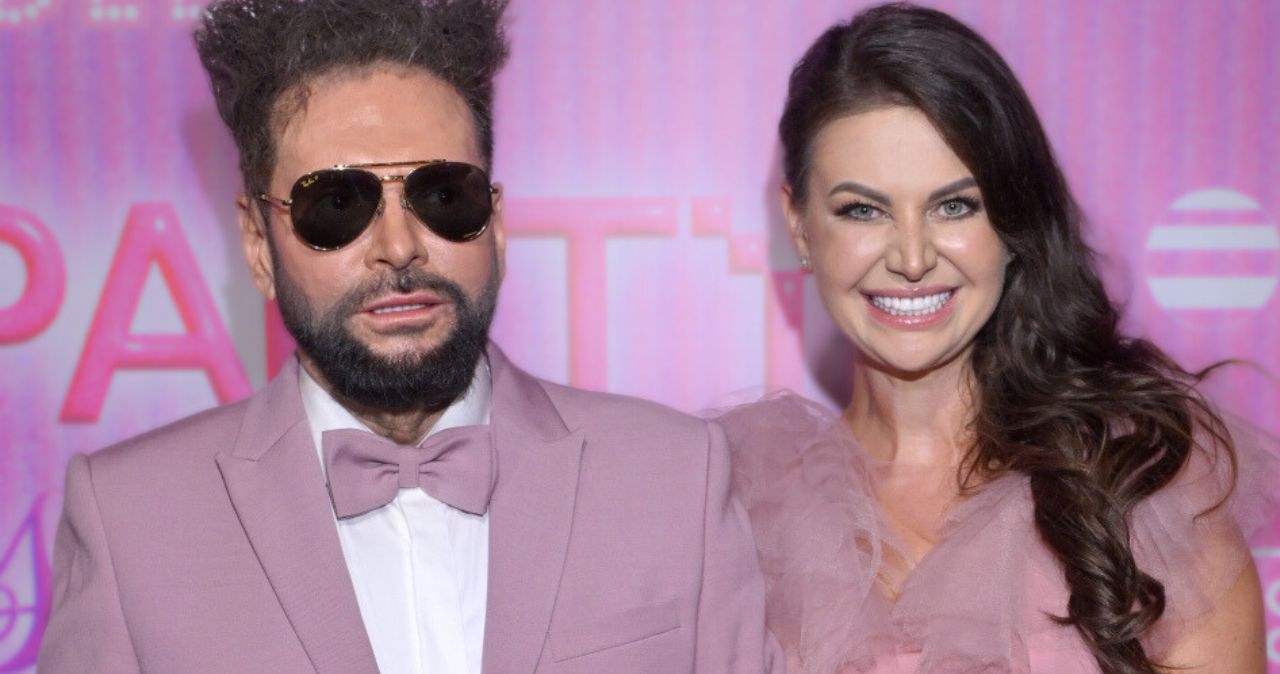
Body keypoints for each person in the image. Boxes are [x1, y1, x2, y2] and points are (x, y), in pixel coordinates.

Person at [37, 1, 781, 673]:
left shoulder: (673, 476)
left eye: (442, 195)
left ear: (496, 221)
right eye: (337, 204)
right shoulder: (129, 522)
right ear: (259, 245)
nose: (399, 246)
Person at [719, 3, 1275, 673]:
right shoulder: (737, 512)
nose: (913, 257)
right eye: (863, 210)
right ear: (800, 225)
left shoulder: (1139, 486)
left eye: (955, 205)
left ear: (1013, 221)